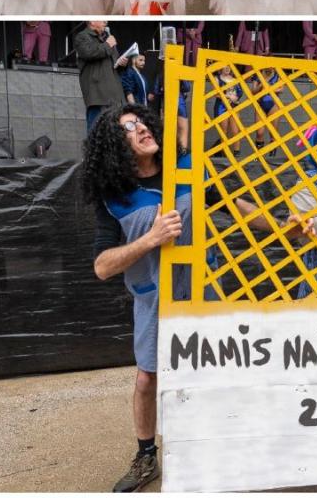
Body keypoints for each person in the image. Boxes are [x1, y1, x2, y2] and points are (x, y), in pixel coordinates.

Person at [86, 103, 188, 493]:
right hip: (155, 300)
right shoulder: (115, 200)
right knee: (148, 378)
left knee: (210, 375)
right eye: (129, 127)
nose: (142, 128)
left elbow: (235, 204)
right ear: (115, 145)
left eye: (142, 121)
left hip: (201, 292)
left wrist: (284, 228)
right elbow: (102, 266)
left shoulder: (185, 172)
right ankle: (147, 457)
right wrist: (151, 239)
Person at [75, 21, 126, 132]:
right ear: (92, 21)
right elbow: (89, 53)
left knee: (114, 131)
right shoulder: (82, 37)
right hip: (97, 93)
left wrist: (121, 63)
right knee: (95, 129)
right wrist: (108, 45)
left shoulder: (108, 39)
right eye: (102, 20)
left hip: (114, 92)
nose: (105, 22)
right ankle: (93, 149)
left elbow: (115, 63)